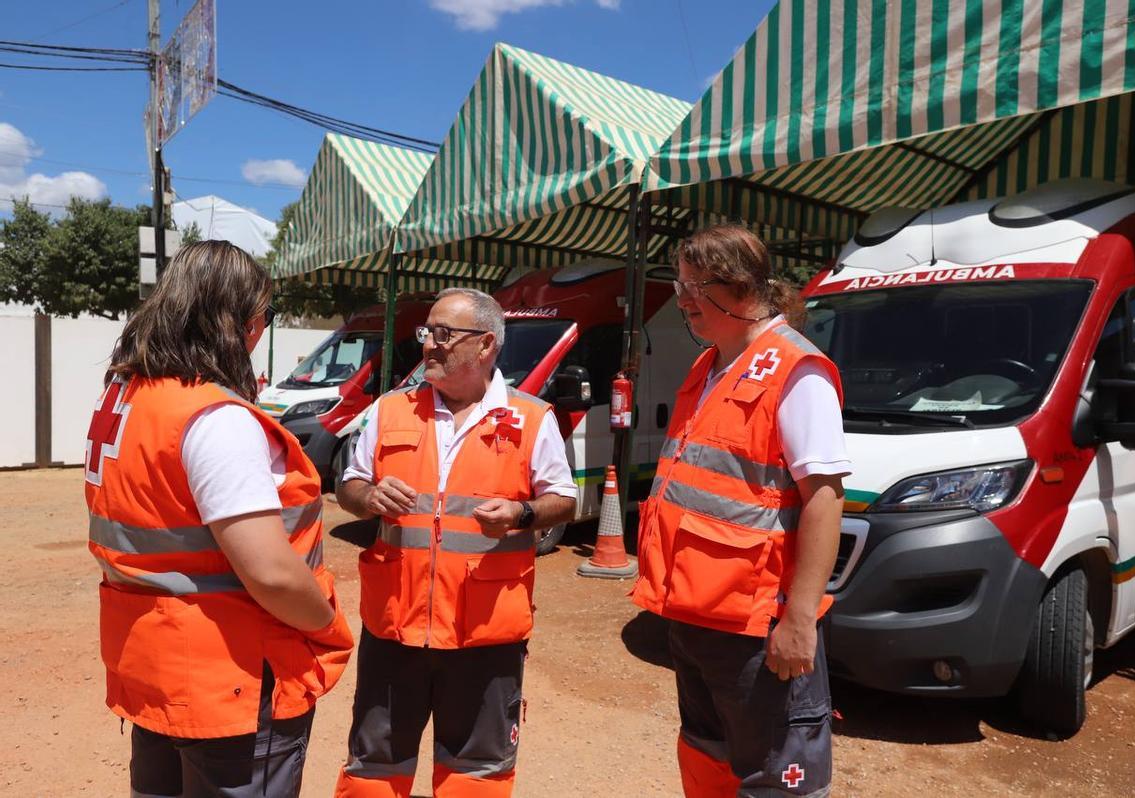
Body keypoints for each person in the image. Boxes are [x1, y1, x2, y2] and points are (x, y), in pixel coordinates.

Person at [84, 240, 355, 797]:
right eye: (261, 317)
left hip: (153, 659)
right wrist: (325, 626)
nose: (260, 332)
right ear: (235, 322)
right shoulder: (213, 417)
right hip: (229, 675)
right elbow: (273, 573)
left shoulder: (129, 395)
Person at [630, 225, 850, 797]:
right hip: (698, 616)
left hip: (758, 627)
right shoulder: (710, 367)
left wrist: (800, 619)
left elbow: (825, 498)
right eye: (679, 284)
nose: (680, 300)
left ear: (735, 288)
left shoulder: (796, 371)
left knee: (774, 777)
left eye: (691, 287)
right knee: (706, 757)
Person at [334, 287, 578, 798]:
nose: (428, 345)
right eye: (427, 332)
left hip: (484, 637)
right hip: (394, 630)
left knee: (475, 778)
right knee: (373, 775)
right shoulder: (389, 410)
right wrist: (370, 495)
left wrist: (522, 513)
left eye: (443, 334)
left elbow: (563, 499)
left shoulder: (532, 418)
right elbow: (349, 486)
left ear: (486, 344)